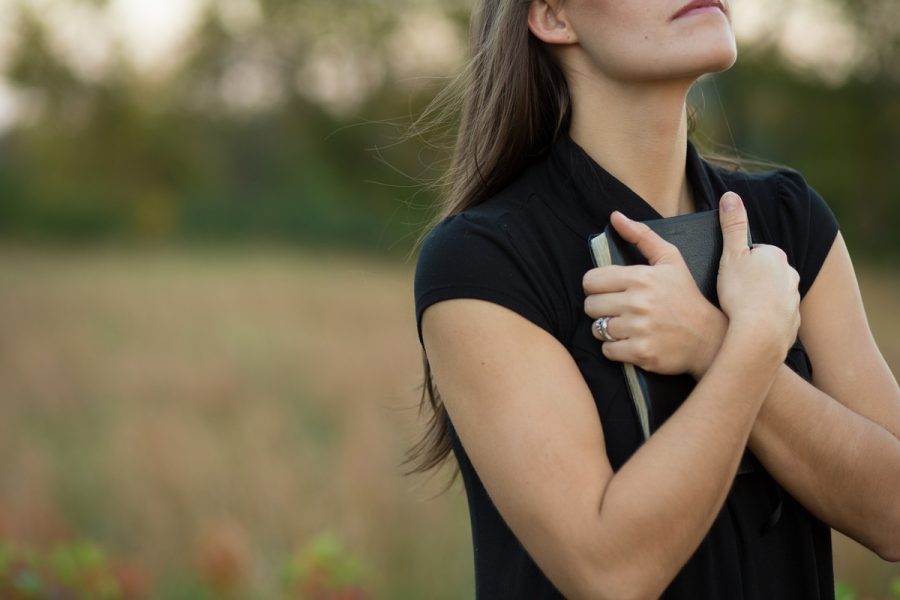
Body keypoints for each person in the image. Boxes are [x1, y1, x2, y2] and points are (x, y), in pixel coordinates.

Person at [404, 0, 900, 598]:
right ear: (555, 18)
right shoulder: (484, 261)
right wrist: (749, 346)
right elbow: (608, 572)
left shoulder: (790, 220)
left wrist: (712, 343)